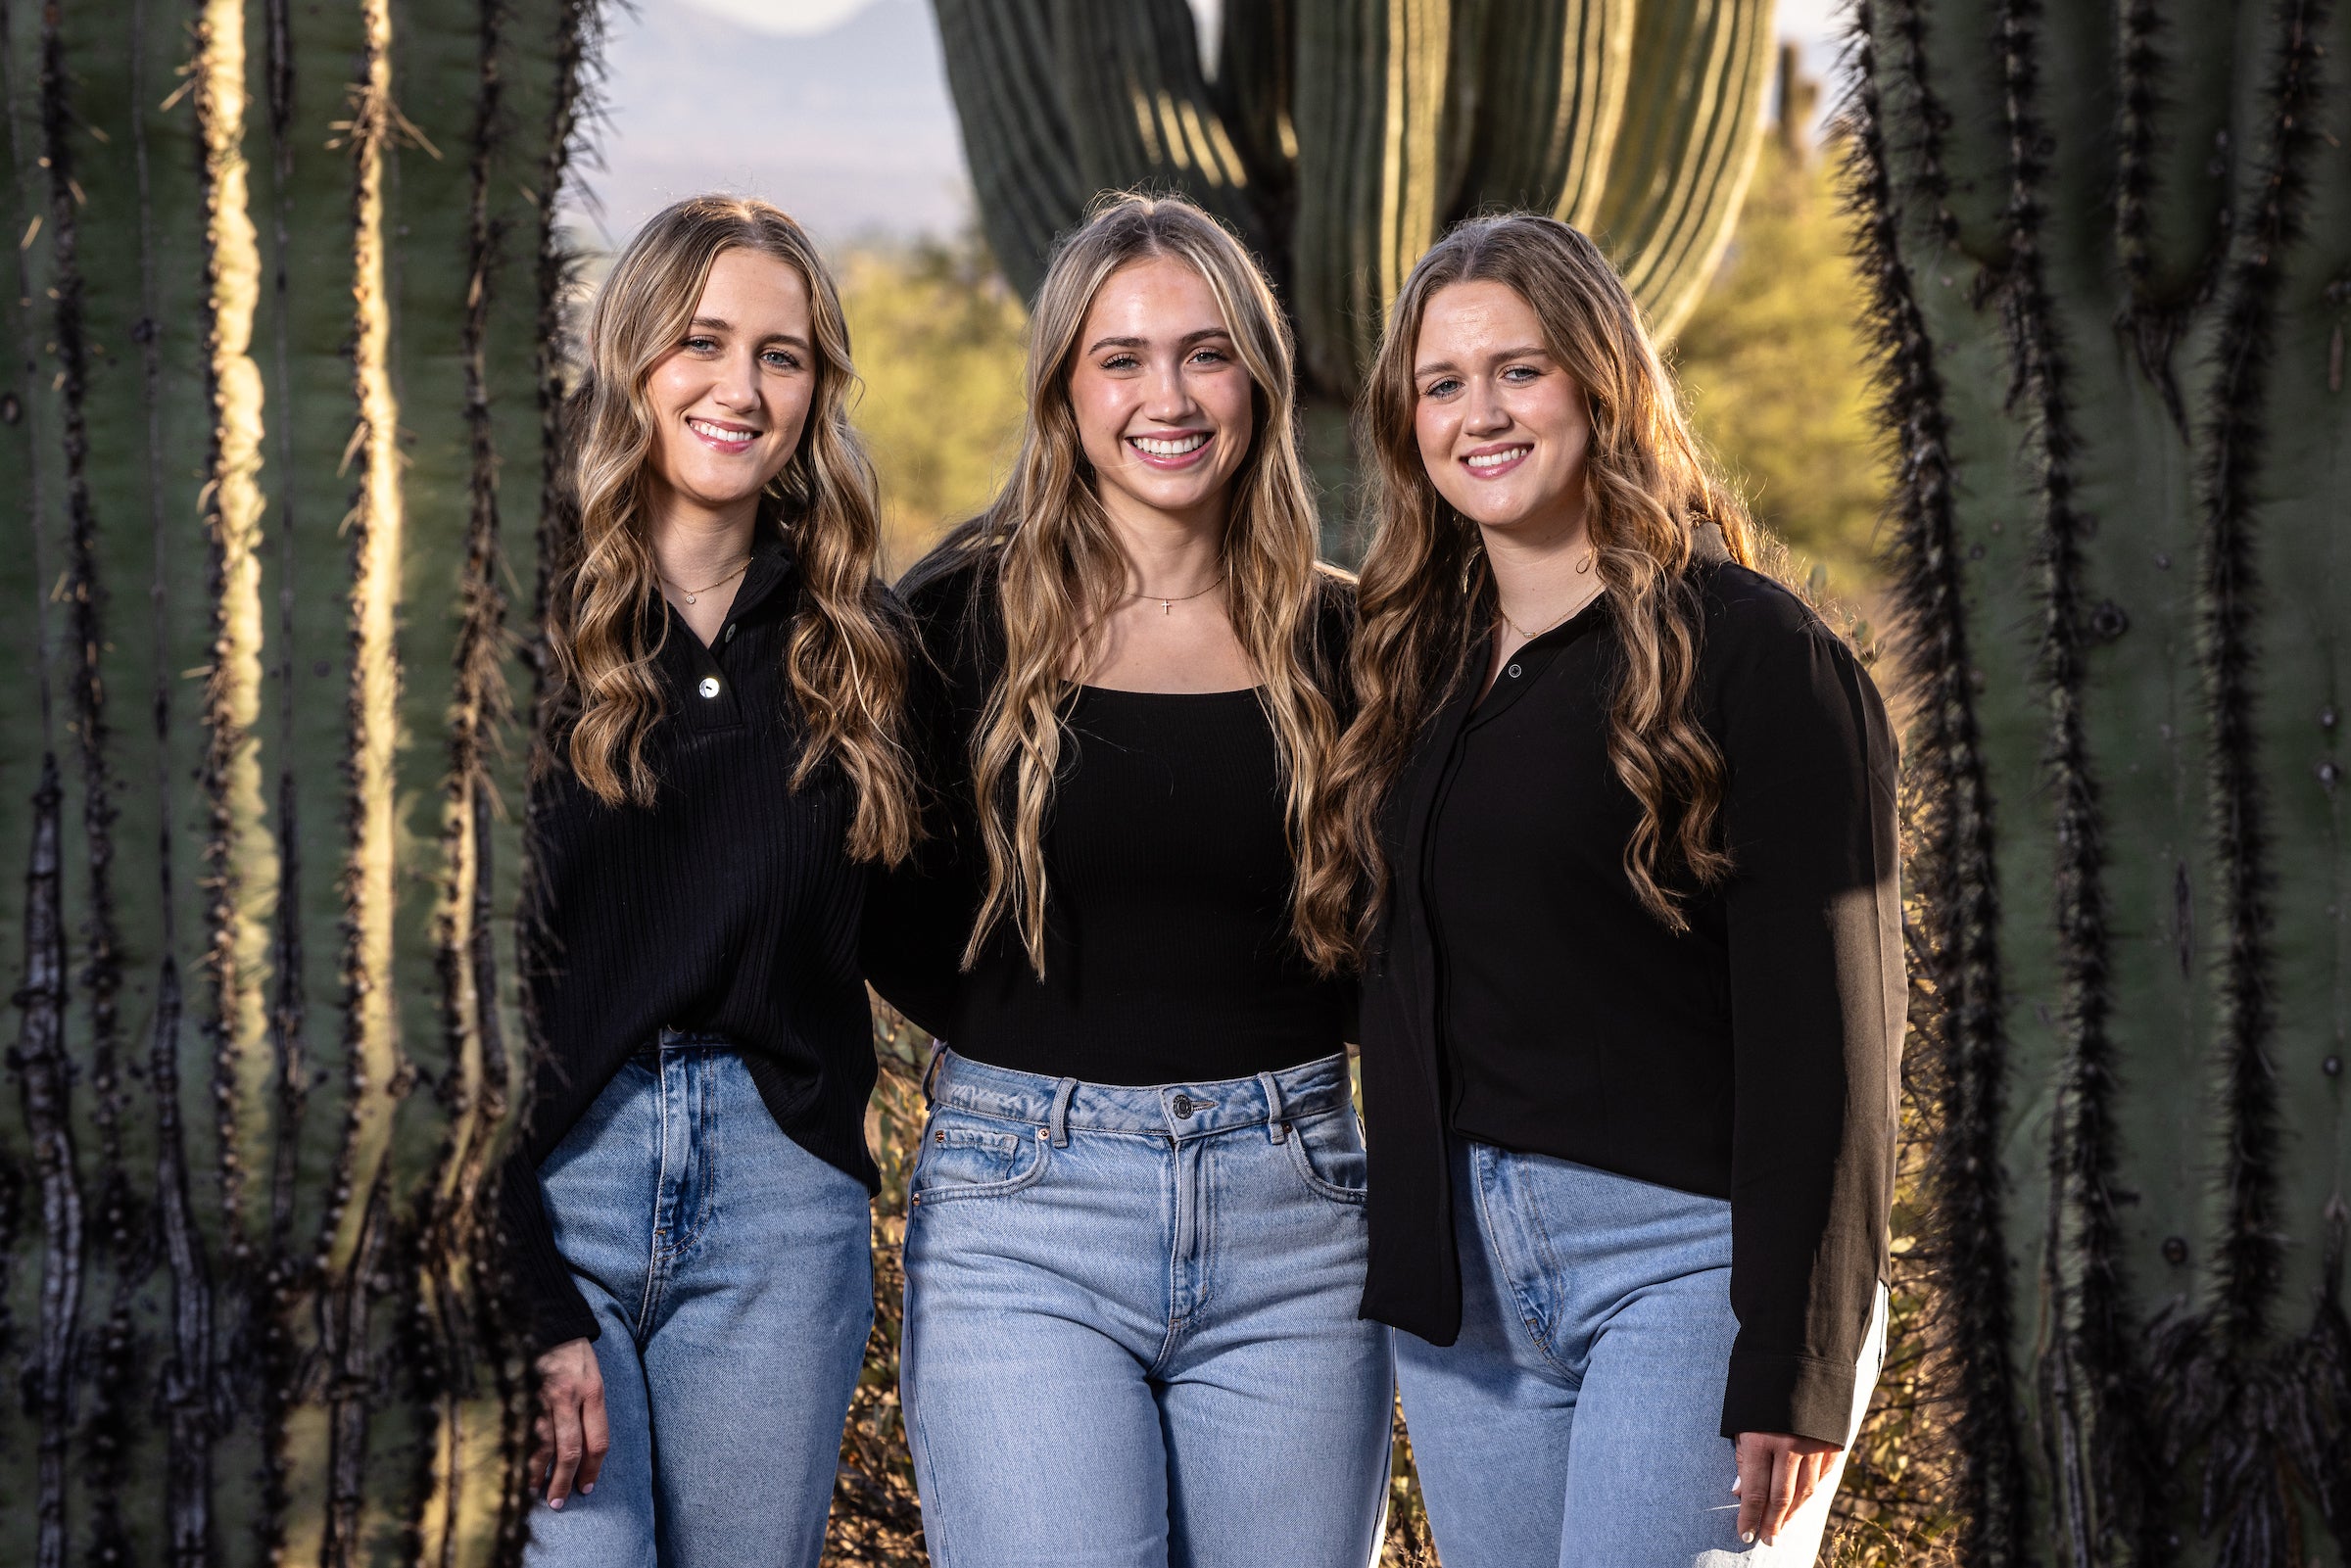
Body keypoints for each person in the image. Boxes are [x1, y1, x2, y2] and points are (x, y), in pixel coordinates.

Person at [1306, 213, 1899, 1567]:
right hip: (1467, 1298)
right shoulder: (1412, 667)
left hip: (1690, 1274)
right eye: (1441, 383)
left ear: (1599, 379)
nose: (1479, 413)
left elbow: (1841, 1037)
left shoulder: (1758, 655)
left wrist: (1800, 1355)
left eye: (1518, 369)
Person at [865, 191, 1391, 1568]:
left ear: (1258, 382)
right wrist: (1020, 1037)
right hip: (1022, 1209)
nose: (1169, 393)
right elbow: (875, 895)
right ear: (1064, 390)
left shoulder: (1350, 643)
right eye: (1123, 357)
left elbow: (1405, 930)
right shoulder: (958, 620)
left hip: (1301, 1213)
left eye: (1207, 352)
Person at [501, 195, 918, 1568]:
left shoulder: (859, 643)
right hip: (559, 1175)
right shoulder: (511, 621)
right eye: (701, 342)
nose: (742, 388)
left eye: (783, 355)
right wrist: (521, 1281)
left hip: (778, 1202)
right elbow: (428, 990)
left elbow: (937, 931)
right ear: (631, 360)